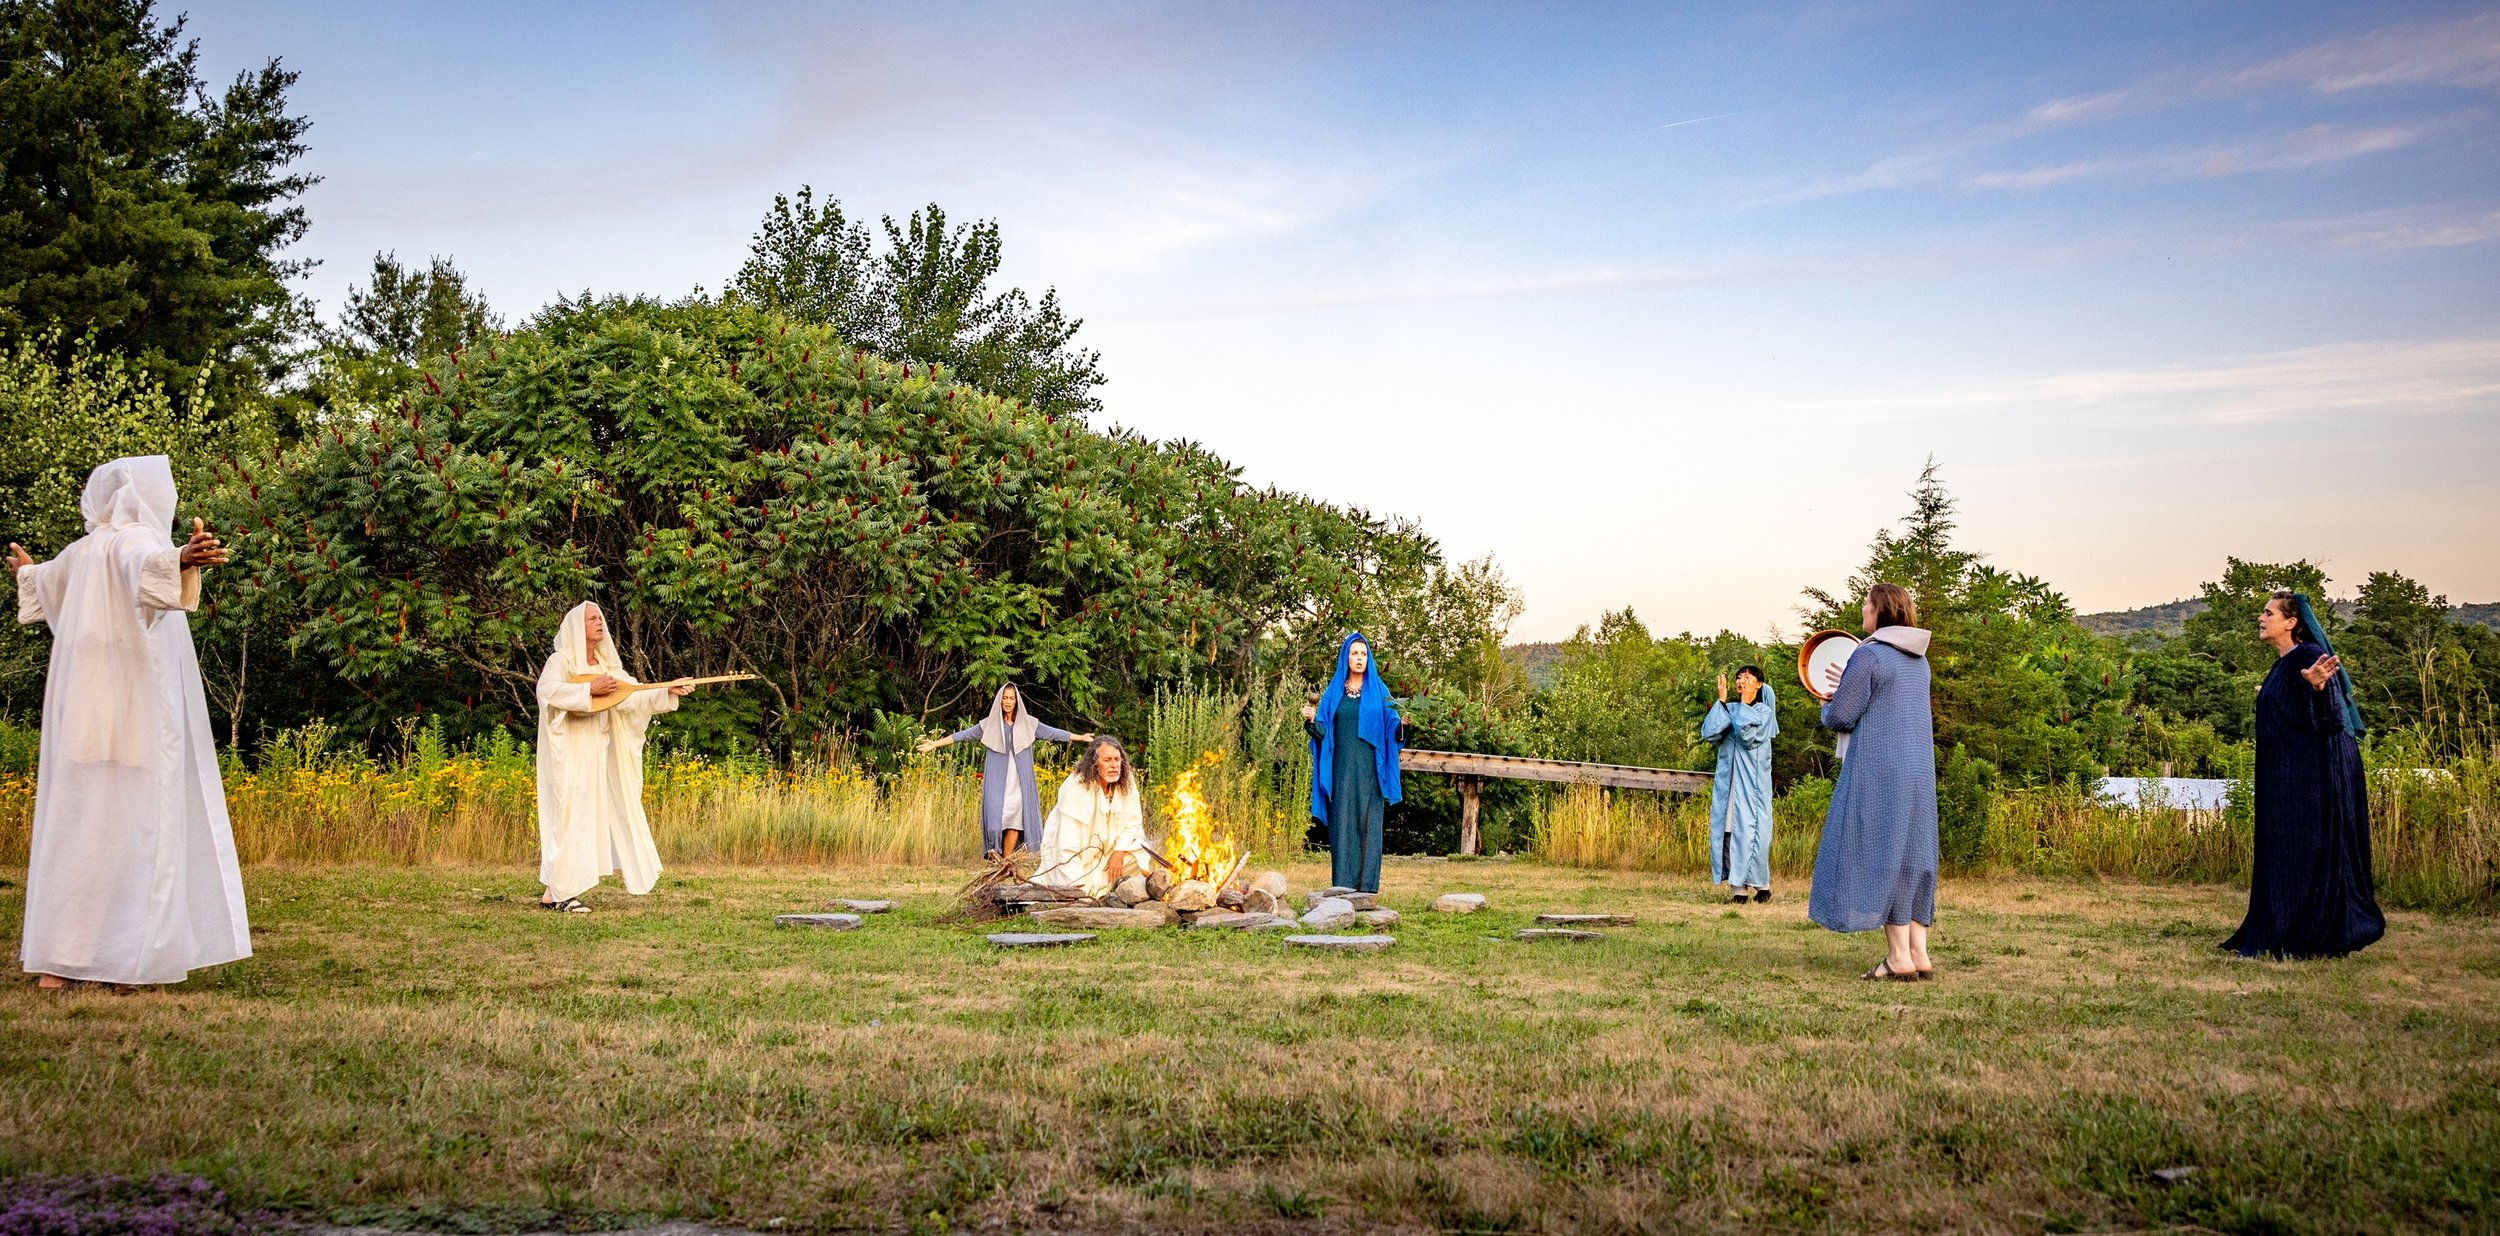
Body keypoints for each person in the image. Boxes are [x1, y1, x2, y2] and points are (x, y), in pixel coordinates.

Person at [10, 457, 248, 989]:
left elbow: (44, 582)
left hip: (84, 714)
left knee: (81, 826)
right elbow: (146, 565)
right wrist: (183, 556)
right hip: (136, 712)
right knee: (138, 828)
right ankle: (126, 961)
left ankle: (60, 964)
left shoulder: (83, 550)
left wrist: (26, 570)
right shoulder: (131, 542)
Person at [2221, 592, 2385, 960]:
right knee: (2284, 850)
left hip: (2310, 778)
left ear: (2291, 622)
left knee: (2305, 848)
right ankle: (2279, 928)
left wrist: (2318, 686)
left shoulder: (2310, 658)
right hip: (2285, 776)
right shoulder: (2283, 664)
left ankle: (2309, 932)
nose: (2261, 618)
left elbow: (2330, 721)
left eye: (2268, 613)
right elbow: (2292, 711)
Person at [1808, 583, 1939, 981]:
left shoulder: (1868, 654)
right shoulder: (1920, 661)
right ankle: (1918, 953)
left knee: (1880, 852)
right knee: (1913, 857)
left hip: (1880, 770)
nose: (1862, 610)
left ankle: (1899, 958)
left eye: (1866, 605)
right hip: (1919, 771)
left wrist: (1828, 699)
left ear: (1880, 611)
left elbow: (1842, 716)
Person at [534, 601, 692, 912]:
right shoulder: (561, 660)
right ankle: (561, 893)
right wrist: (588, 690)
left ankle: (555, 894)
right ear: (577, 626)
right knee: (569, 816)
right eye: (592, 618)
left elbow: (634, 695)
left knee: (587, 816)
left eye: (600, 618)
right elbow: (548, 691)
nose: (599, 622)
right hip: (572, 752)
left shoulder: (608, 665)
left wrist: (668, 691)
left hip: (599, 754)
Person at [916, 684, 1092, 859]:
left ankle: (1006, 863)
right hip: (998, 782)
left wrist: (1080, 737)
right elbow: (963, 735)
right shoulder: (988, 725)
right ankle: (995, 858)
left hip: (1020, 783)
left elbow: (1053, 733)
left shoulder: (1029, 723)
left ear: (1017, 701)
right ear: (1000, 701)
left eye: (1011, 698)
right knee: (994, 823)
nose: (1008, 702)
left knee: (1015, 823)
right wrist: (935, 743)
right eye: (1005, 698)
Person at [1303, 632, 1402, 894]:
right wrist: (1312, 721)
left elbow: (1393, 727)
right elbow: (1323, 732)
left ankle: (1367, 888)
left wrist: (1404, 725)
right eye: (1354, 654)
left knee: (1369, 825)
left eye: (1363, 654)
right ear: (1345, 658)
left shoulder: (1380, 691)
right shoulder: (1334, 691)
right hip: (1342, 771)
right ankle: (1342, 887)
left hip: (1371, 772)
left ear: (1369, 659)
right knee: (1343, 824)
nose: (1359, 658)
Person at [1029, 737, 1148, 897]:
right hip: (1076, 860)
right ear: (1094, 763)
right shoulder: (1076, 787)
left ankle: (1115, 889)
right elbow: (1066, 846)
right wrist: (1076, 887)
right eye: (1107, 760)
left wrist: (1119, 851)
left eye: (1117, 759)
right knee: (1079, 892)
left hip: (1108, 857)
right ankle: (1089, 892)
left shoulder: (1127, 783)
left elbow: (1133, 825)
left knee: (1140, 853)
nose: (1114, 765)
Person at [1704, 665, 1779, 904]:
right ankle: (1738, 889)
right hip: (1729, 782)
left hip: (1752, 785)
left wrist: (1745, 706)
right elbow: (1711, 733)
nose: (1741, 681)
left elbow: (1748, 738)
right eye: (1739, 677)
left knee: (1751, 831)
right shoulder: (1732, 709)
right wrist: (1723, 701)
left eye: (1747, 677)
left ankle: (1761, 884)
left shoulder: (1764, 712)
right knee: (1728, 831)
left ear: (1759, 684)